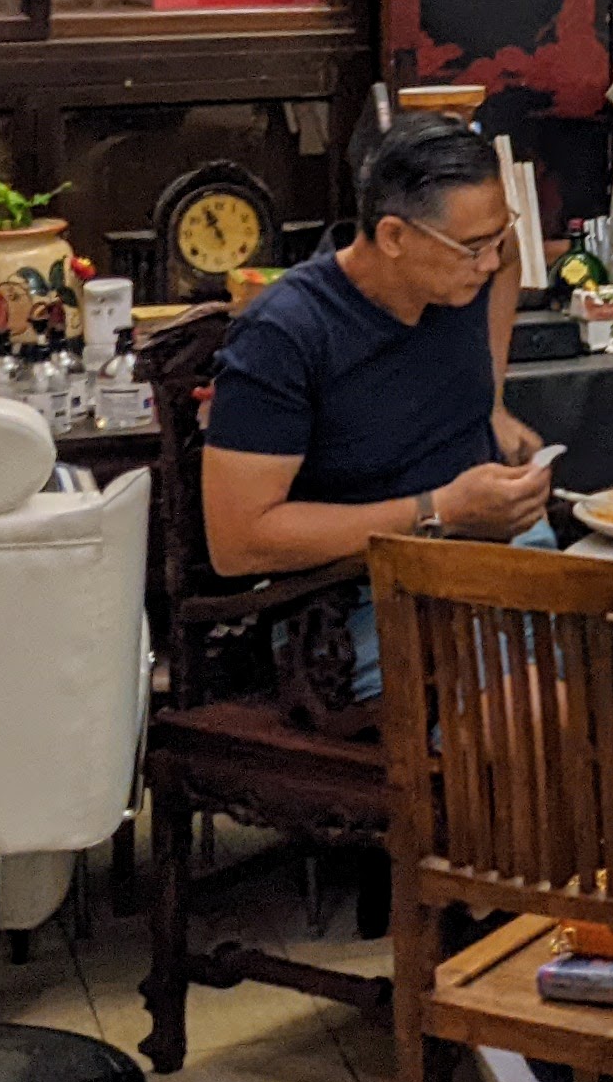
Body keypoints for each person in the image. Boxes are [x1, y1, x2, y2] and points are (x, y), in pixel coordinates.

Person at [197, 109, 551, 678]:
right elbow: (239, 541)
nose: (489, 262)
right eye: (471, 248)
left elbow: (506, 259)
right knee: (532, 704)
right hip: (355, 601)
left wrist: (492, 403)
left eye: (496, 237)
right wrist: (440, 511)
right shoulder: (286, 334)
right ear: (393, 236)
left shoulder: (469, 277)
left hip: (493, 561)